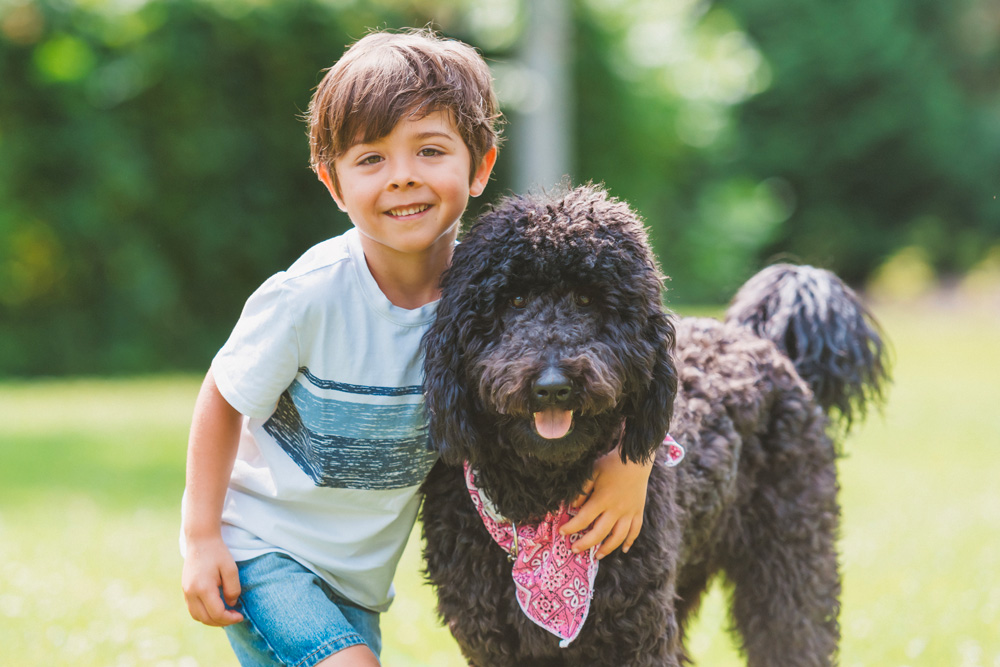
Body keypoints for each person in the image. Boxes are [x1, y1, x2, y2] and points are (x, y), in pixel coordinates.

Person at [180, 28, 654, 667]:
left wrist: (634, 460)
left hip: (358, 582)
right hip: (265, 552)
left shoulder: (490, 300)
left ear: (480, 165)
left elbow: (632, 346)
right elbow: (222, 396)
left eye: (429, 150)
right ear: (334, 184)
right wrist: (202, 535)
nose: (402, 178)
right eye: (370, 159)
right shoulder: (309, 296)